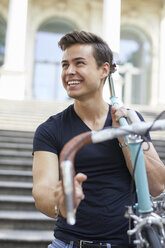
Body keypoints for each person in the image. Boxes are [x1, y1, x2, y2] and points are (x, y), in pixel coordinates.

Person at [32, 31, 165, 248]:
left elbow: (157, 185)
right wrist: (62, 203)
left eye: (79, 63)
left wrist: (125, 138)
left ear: (104, 70)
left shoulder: (130, 120)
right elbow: (42, 192)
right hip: (69, 244)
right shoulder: (50, 129)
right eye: (65, 65)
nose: (69, 71)